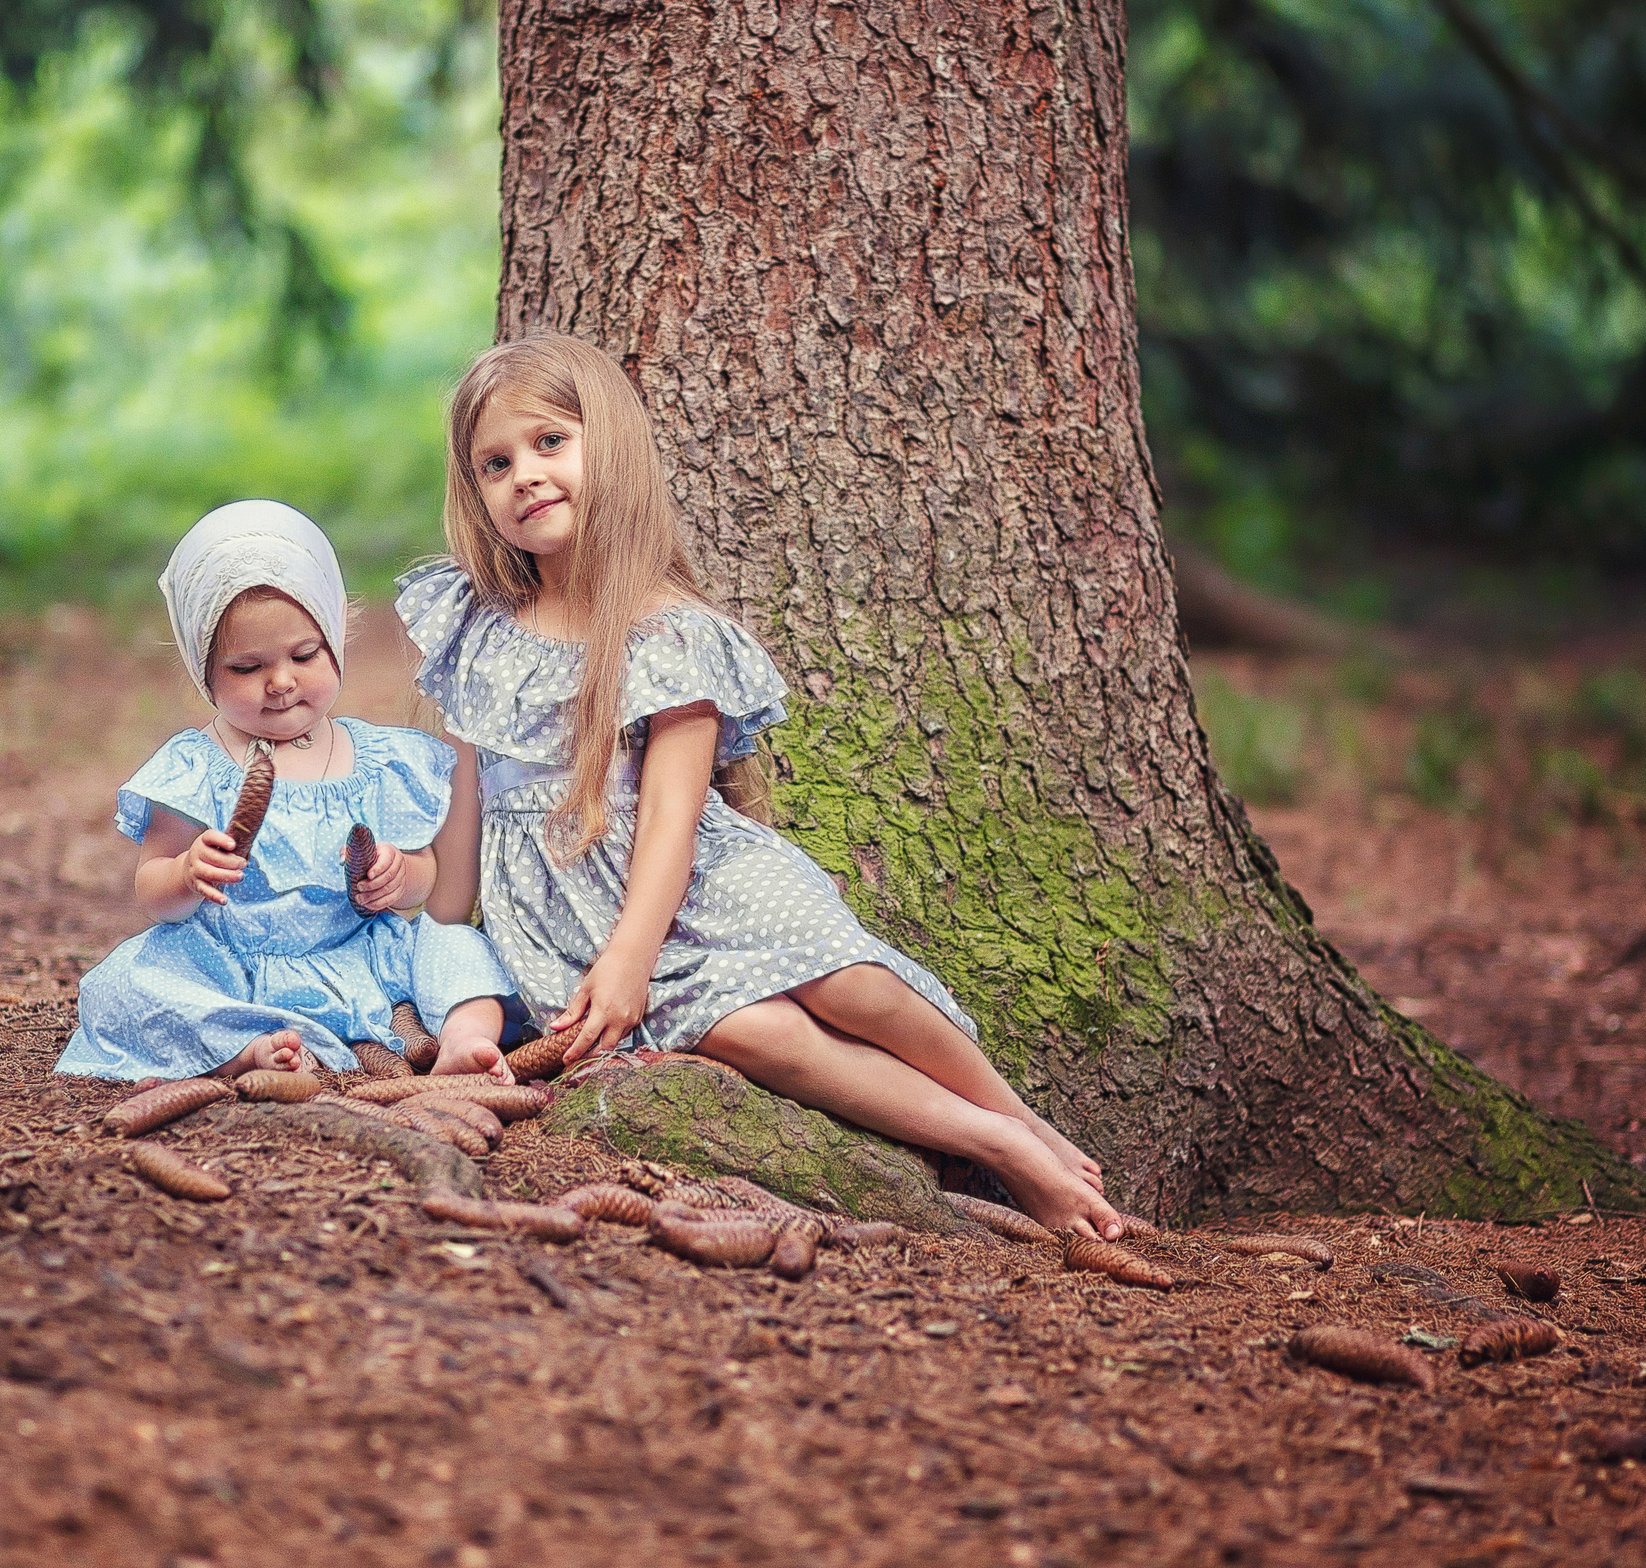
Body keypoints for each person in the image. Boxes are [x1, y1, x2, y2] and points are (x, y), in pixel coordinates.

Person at [397, 335, 1125, 1239]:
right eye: (495, 464)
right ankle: (995, 1145)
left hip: (698, 885)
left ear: (609, 448)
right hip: (562, 919)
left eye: (550, 443)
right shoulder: (475, 628)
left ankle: (1027, 1125)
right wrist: (421, 908)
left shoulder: (668, 630)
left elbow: (671, 810)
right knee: (746, 1033)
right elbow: (461, 838)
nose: (525, 476)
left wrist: (631, 958)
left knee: (847, 987)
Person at [57, 500, 516, 1082]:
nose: (280, 681)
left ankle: (462, 1041)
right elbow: (152, 888)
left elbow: (423, 877)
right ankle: (243, 1049)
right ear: (206, 671)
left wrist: (400, 876)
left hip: (358, 952)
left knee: (456, 946)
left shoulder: (376, 759)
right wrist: (187, 873)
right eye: (247, 668)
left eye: (304, 655)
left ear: (334, 642)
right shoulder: (197, 767)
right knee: (126, 987)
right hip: (234, 966)